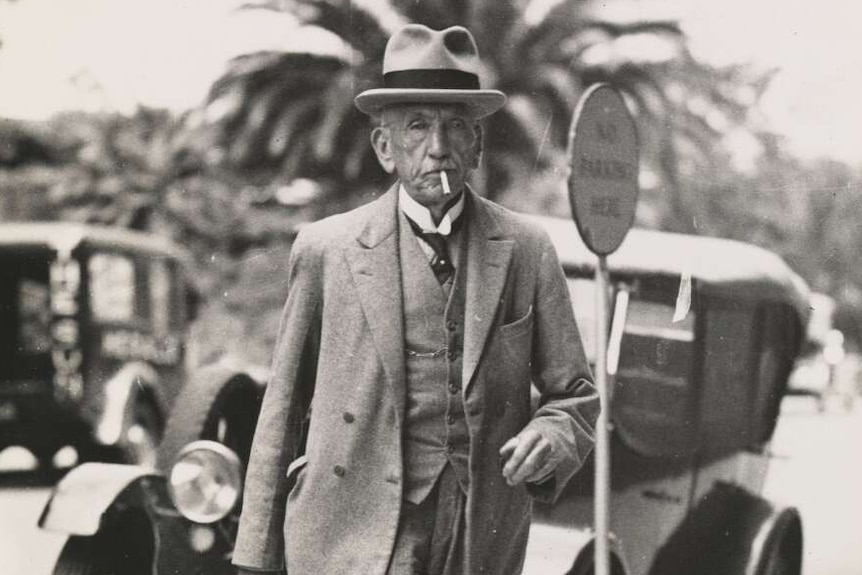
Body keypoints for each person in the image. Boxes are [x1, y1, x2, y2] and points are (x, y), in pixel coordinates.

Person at [233, 24, 599, 575]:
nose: (438, 149)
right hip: (350, 530)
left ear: (477, 145)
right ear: (385, 147)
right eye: (417, 127)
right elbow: (281, 409)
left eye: (456, 127)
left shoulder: (526, 250)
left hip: (478, 533)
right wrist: (256, 556)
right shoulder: (326, 250)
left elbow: (574, 396)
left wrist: (551, 436)